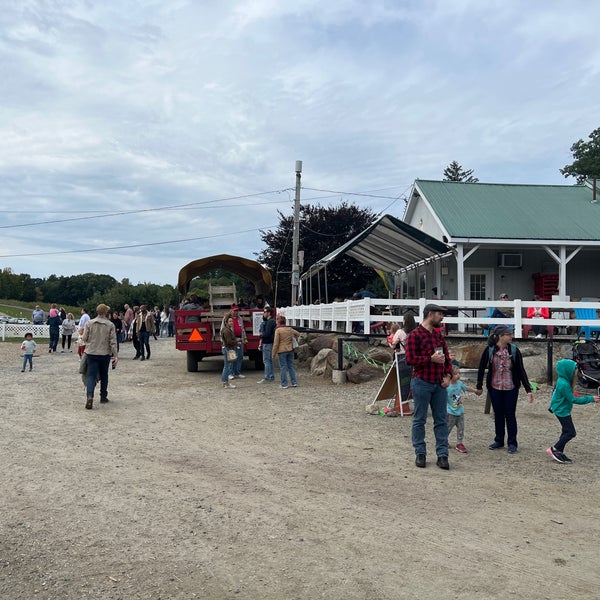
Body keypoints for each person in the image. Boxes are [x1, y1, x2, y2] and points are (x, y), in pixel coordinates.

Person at [405, 303, 453, 470]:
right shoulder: (414, 335)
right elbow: (409, 360)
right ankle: (420, 452)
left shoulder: (439, 336)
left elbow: (447, 358)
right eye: (440, 314)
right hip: (421, 382)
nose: (442, 317)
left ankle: (442, 455)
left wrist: (448, 376)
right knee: (419, 419)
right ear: (430, 314)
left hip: (439, 384)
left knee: (441, 420)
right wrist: (429, 359)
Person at [476, 324, 534, 454]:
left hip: (511, 387)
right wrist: (479, 385)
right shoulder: (490, 350)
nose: (511, 336)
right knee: (498, 414)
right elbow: (481, 368)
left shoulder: (514, 350)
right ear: (501, 336)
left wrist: (528, 389)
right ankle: (499, 440)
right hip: (495, 386)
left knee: (510, 414)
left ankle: (512, 443)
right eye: (508, 334)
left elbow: (520, 370)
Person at [546, 359, 600, 463]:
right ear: (567, 370)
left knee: (566, 431)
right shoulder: (564, 384)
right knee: (571, 432)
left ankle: (559, 451)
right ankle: (555, 449)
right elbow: (572, 400)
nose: (576, 371)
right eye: (574, 369)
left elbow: (566, 396)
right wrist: (590, 399)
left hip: (562, 409)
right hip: (561, 410)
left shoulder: (563, 381)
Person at [81, 303, 118, 409]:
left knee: (91, 376)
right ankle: (103, 396)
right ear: (106, 312)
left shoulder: (89, 323)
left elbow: (84, 338)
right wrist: (115, 355)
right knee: (104, 375)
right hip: (104, 353)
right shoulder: (110, 325)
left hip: (91, 352)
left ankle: (89, 396)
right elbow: (113, 342)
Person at [446, 365, 482, 453]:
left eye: (459, 373)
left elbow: (466, 388)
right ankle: (443, 440)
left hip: (460, 411)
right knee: (447, 428)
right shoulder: (447, 387)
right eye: (455, 374)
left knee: (461, 428)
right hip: (450, 412)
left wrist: (475, 391)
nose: (458, 375)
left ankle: (459, 443)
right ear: (450, 375)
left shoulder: (459, 384)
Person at [272, 314, 300, 389]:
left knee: (283, 367)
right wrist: (293, 338)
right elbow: (298, 334)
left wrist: (273, 354)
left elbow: (276, 343)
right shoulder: (289, 329)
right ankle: (294, 382)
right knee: (291, 366)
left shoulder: (278, 330)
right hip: (290, 349)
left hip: (282, 350)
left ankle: (284, 384)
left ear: (278, 321)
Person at [258, 307, 276, 383]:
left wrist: (261, 335)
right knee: (270, 360)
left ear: (269, 313)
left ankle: (267, 377)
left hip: (267, 343)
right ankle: (271, 376)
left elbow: (267, 333)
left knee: (266, 361)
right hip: (270, 343)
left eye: (265, 312)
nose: (264, 313)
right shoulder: (272, 321)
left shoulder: (269, 322)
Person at [220, 316, 239, 389]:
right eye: (230, 321)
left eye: (232, 321)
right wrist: (237, 341)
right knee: (227, 366)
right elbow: (229, 342)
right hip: (228, 349)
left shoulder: (227, 329)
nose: (231, 322)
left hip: (227, 348)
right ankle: (226, 383)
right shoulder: (227, 331)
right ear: (226, 322)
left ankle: (225, 382)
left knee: (227, 366)